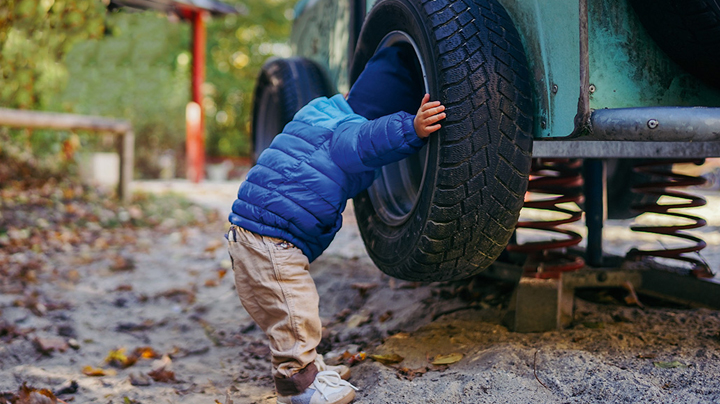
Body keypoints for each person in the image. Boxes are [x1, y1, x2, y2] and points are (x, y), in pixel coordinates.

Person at [227, 45, 446, 404]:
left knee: (288, 316)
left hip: (254, 236)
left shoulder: (318, 113)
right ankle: (302, 388)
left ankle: (309, 369)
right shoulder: (347, 132)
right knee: (296, 316)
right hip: (272, 243)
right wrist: (412, 128)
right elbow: (369, 141)